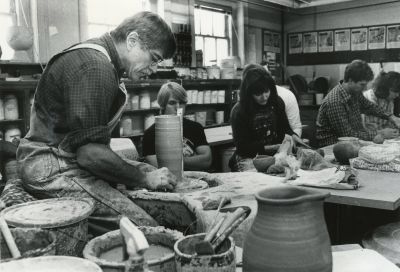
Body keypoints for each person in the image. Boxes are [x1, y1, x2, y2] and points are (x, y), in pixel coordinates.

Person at [16, 12, 178, 226]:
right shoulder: (95, 67)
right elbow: (89, 155)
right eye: (155, 58)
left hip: (65, 156)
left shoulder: (102, 60)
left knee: (150, 171)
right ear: (132, 41)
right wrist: (144, 180)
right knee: (145, 226)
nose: (155, 69)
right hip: (49, 166)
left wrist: (144, 174)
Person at [229, 63, 302, 172]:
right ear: (249, 93)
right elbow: (243, 147)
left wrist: (293, 136)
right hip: (248, 157)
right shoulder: (239, 111)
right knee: (258, 182)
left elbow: (284, 128)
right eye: (258, 94)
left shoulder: (276, 102)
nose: (264, 97)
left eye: (267, 91)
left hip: (274, 154)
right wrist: (273, 147)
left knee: (293, 173)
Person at [316, 60, 400, 147]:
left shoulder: (355, 92)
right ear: (350, 80)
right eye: (362, 84)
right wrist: (381, 133)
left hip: (353, 143)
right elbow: (347, 135)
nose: (365, 88)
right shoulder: (335, 101)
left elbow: (369, 106)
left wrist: (391, 117)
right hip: (332, 147)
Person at [142, 82, 212, 171]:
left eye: (182, 103)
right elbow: (157, 167)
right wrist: (193, 160)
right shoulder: (151, 133)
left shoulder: (195, 128)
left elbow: (206, 161)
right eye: (172, 103)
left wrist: (171, 161)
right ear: (163, 105)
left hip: (194, 180)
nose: (178, 107)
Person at [262, 62, 302, 136]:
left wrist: (290, 143)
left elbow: (295, 128)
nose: (264, 97)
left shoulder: (285, 96)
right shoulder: (244, 105)